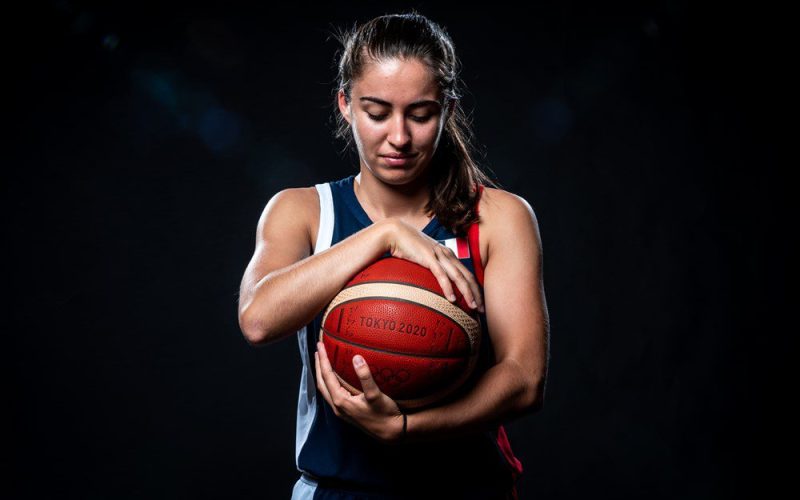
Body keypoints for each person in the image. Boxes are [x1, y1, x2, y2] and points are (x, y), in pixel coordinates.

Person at [237, 11, 549, 500]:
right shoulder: (303, 211)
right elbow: (257, 319)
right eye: (377, 112)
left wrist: (408, 428)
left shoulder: (498, 217)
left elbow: (524, 380)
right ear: (345, 104)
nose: (399, 137)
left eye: (420, 114)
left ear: (448, 107)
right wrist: (381, 237)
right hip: (339, 490)